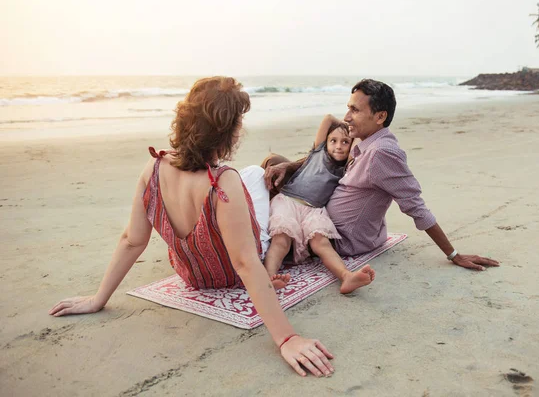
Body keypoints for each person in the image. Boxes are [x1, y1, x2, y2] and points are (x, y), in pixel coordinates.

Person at [48, 77, 334, 378]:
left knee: (250, 176)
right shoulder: (224, 181)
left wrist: (98, 299)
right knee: (254, 175)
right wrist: (287, 338)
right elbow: (245, 263)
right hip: (229, 273)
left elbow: (132, 240)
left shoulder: (154, 168)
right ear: (229, 133)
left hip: (192, 275)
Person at [264, 79, 499, 271]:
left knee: (263, 203)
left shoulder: (382, 154)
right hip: (318, 211)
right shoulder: (363, 139)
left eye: (355, 110)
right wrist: (290, 166)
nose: (346, 117)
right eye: (348, 108)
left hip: (338, 238)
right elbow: (326, 141)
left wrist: (454, 254)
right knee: (273, 162)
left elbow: (415, 206)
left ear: (380, 117)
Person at [264, 115, 376, 294]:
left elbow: (358, 140)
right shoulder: (317, 152)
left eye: (345, 142)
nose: (338, 146)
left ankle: (346, 276)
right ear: (326, 142)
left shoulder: (347, 166)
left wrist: (354, 132)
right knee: (281, 240)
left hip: (314, 210)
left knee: (321, 243)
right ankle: (268, 279)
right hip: (288, 201)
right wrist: (345, 124)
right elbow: (328, 118)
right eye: (333, 141)